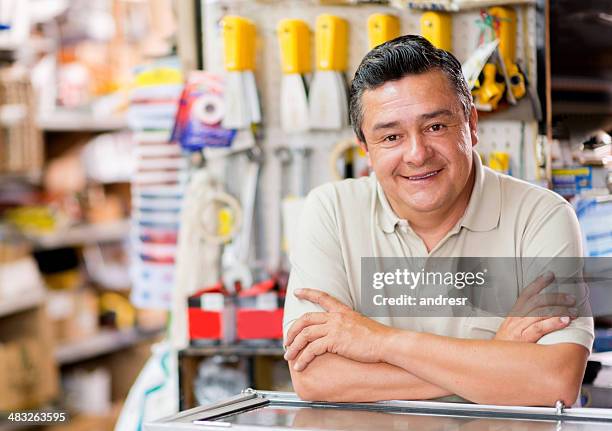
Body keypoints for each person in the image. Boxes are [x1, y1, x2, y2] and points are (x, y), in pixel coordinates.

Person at [282, 35, 593, 407]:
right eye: (391, 136)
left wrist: (378, 340)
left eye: (435, 127)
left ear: (471, 124)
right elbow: (316, 378)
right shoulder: (330, 212)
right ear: (365, 148)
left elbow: (553, 381)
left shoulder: (541, 218)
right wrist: (493, 356)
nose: (416, 154)